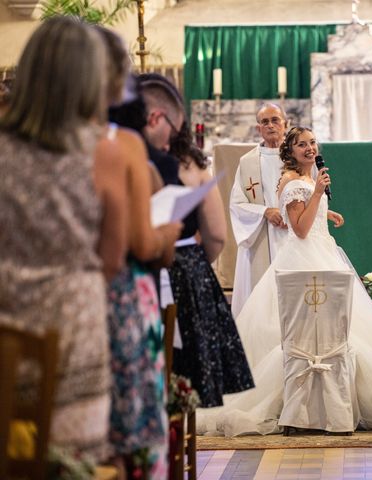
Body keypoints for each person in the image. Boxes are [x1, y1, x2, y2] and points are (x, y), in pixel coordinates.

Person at [199, 127, 372, 436]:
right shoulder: (293, 182)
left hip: (323, 252)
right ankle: (305, 403)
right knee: (308, 332)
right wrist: (317, 193)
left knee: (341, 329)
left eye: (312, 142)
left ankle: (338, 399)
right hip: (305, 262)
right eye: (302, 144)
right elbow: (300, 229)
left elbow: (306, 215)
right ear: (290, 152)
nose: (309, 148)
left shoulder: (307, 178)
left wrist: (327, 213)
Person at [0, 17, 127, 459]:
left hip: (6, 319)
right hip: (74, 321)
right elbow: (113, 257)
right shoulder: (105, 151)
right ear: (90, 78)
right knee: (70, 460)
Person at [97, 26, 184, 478]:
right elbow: (125, 252)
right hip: (113, 302)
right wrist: (168, 230)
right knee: (125, 439)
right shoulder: (119, 147)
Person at [168, 132, 254, 408]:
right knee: (189, 363)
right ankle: (181, 430)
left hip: (136, 271)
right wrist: (193, 266)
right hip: (185, 269)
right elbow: (216, 236)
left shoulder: (124, 152)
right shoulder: (192, 165)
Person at [229, 103, 289, 318]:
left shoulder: (298, 157)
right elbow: (236, 204)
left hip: (294, 234)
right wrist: (265, 211)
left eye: (275, 120)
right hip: (261, 234)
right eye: (265, 121)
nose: (270, 125)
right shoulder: (248, 162)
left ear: (286, 124)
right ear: (258, 128)